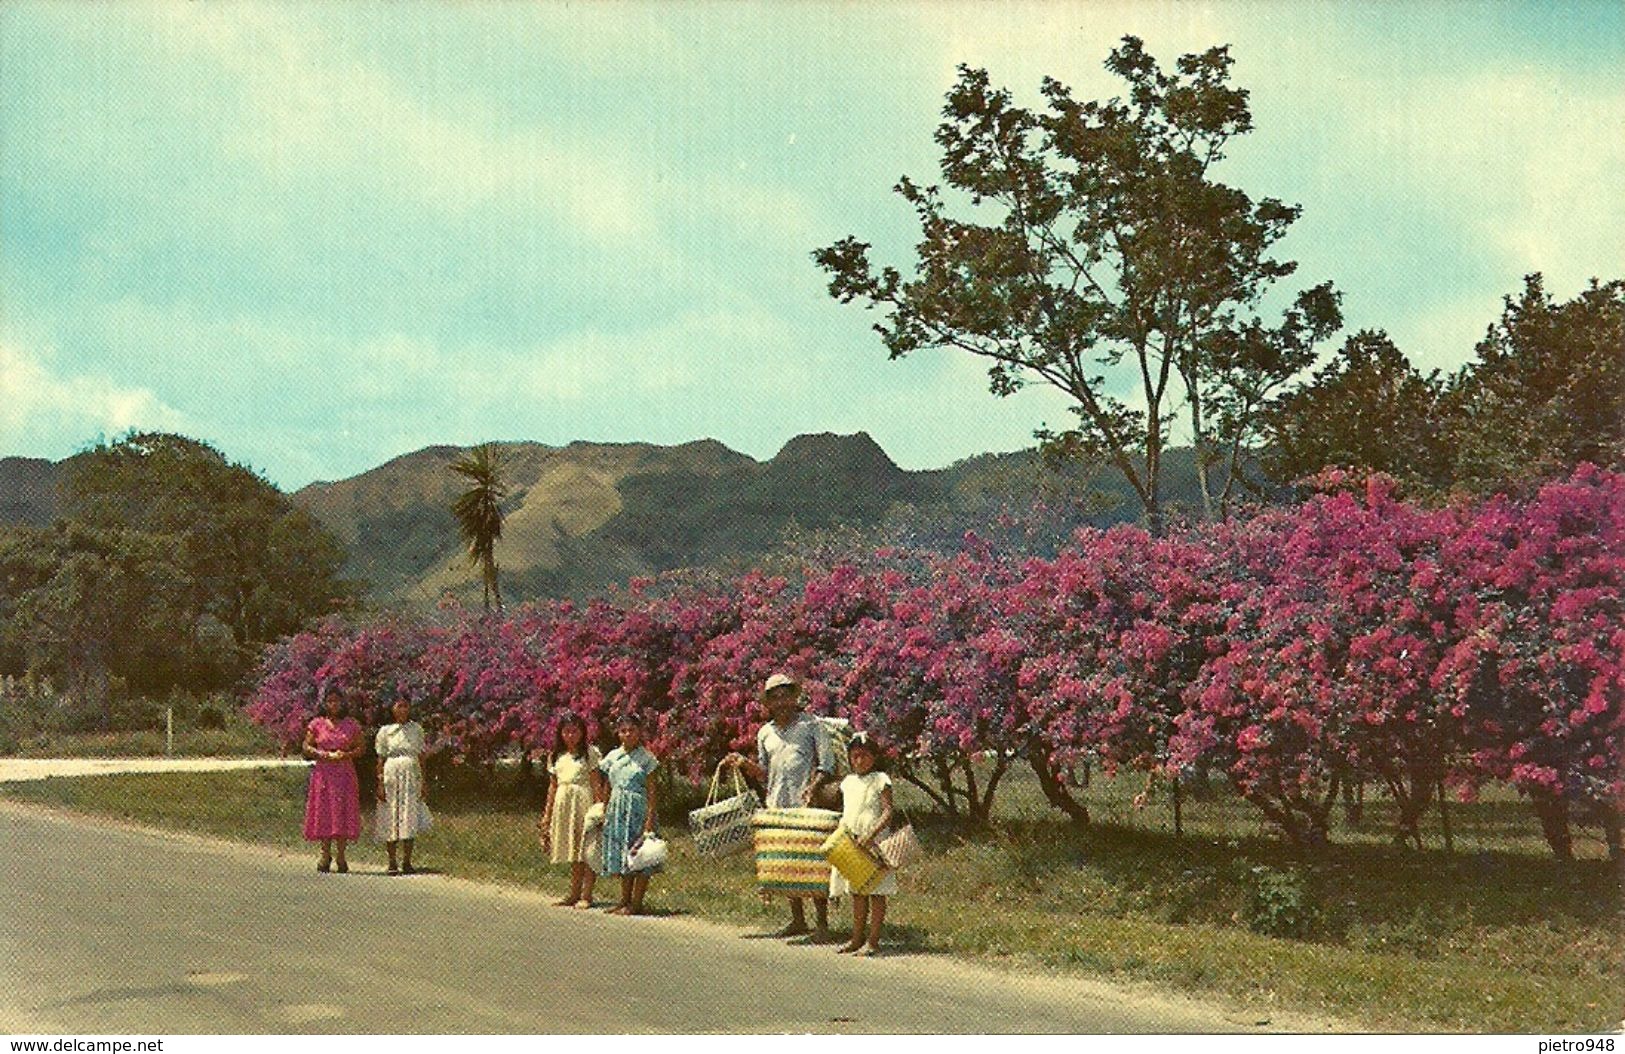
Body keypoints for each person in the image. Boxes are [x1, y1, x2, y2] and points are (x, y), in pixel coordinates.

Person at [724, 672, 835, 941]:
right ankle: (798, 919)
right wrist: (745, 765)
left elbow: (826, 764)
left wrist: (813, 786)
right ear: (769, 703)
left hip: (806, 803)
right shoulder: (765, 733)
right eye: (776, 698)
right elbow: (764, 772)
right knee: (786, 862)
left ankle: (822, 922)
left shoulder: (811, 725)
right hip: (776, 802)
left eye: (786, 696)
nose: (782, 702)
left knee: (813, 863)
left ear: (794, 698)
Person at [830, 733, 896, 956]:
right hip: (854, 843)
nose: (859, 761)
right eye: (855, 756)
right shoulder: (847, 783)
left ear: (874, 758)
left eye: (865, 756)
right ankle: (856, 938)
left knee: (877, 892)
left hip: (875, 844)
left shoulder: (881, 780)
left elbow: (888, 811)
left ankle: (873, 940)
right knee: (857, 891)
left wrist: (872, 833)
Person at [538, 712, 606, 908]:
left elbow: (596, 783)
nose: (570, 736)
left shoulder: (590, 753)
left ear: (582, 733)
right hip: (563, 802)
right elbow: (552, 786)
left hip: (583, 801)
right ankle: (573, 893)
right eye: (566, 732)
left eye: (574, 731)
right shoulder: (556, 756)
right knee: (573, 849)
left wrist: (600, 808)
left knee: (587, 849)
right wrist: (547, 815)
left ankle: (587, 894)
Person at [598, 713, 661, 916]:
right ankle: (623, 900)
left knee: (641, 856)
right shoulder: (612, 757)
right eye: (623, 731)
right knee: (624, 855)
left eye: (632, 730)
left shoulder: (647, 758)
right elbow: (607, 785)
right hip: (617, 810)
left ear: (639, 732)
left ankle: (636, 902)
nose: (627, 734)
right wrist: (604, 809)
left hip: (639, 810)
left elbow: (652, 791)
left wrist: (649, 820)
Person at [302, 685, 363, 873]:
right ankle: (324, 853)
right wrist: (321, 754)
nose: (333, 704)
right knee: (324, 811)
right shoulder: (317, 724)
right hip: (324, 774)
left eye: (337, 700)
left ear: (342, 702)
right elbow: (306, 746)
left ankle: (341, 855)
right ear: (324, 703)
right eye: (330, 701)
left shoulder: (351, 725)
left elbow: (361, 748)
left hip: (344, 773)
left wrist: (345, 755)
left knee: (343, 811)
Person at [375, 697, 432, 875]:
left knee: (409, 814)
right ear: (392, 708)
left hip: (410, 772)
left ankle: (407, 861)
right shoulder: (385, 731)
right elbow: (380, 758)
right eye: (398, 706)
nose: (402, 710)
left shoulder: (416, 729)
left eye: (405, 706)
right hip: (391, 772)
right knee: (390, 813)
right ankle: (392, 861)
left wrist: (423, 781)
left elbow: (421, 757)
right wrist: (380, 783)